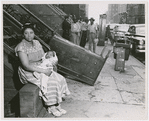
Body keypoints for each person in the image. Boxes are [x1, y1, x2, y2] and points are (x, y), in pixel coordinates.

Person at [15, 23, 70, 117]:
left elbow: (43, 57)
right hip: (29, 71)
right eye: (26, 33)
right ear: (23, 35)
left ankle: (57, 104)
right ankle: (51, 106)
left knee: (59, 78)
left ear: (34, 33)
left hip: (40, 66)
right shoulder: (21, 47)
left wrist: (50, 60)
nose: (29, 35)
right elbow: (26, 66)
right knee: (50, 82)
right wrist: (44, 71)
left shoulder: (37, 43)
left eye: (31, 33)